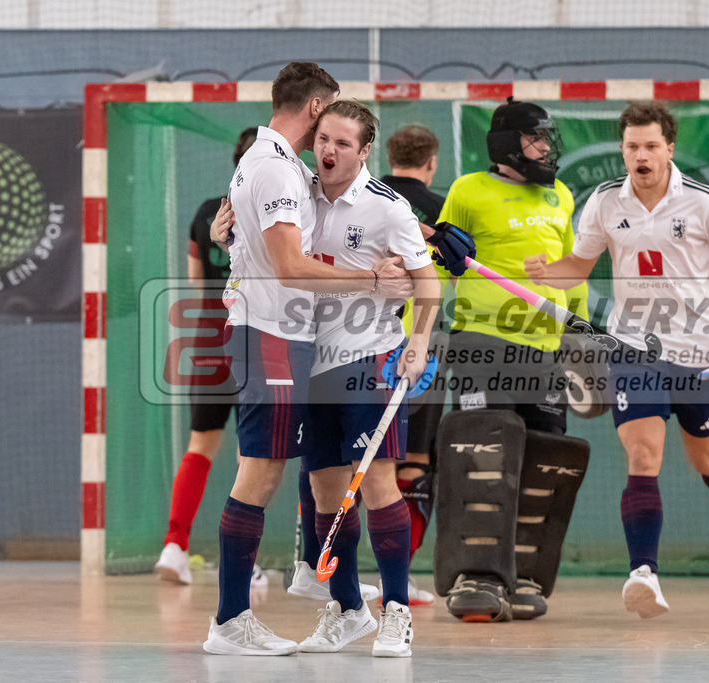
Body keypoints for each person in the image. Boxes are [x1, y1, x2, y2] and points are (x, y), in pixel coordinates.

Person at [201, 62, 414, 657]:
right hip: (269, 332)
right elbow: (293, 264)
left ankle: (346, 607)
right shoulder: (275, 168)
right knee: (261, 473)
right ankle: (229, 620)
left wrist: (428, 236)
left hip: (297, 340)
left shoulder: (276, 164)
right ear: (318, 107)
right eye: (329, 123)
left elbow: (354, 213)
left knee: (312, 479)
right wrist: (371, 278)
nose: (330, 144)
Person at [524, 100, 709, 619]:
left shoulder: (702, 202)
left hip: (698, 354)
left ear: (669, 149)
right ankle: (644, 573)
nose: (641, 155)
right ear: (624, 151)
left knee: (707, 459)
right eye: (632, 146)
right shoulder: (607, 202)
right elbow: (577, 267)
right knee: (642, 456)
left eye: (651, 146)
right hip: (634, 350)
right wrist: (546, 275)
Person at [431, 98, 592, 623]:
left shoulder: (562, 195)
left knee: (540, 458)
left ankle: (521, 574)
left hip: (546, 348)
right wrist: (418, 332)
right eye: (536, 138)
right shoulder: (467, 191)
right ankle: (476, 575)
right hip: (482, 341)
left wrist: (581, 339)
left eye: (548, 138)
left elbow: (574, 270)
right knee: (484, 455)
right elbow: (437, 264)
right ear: (506, 145)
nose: (546, 148)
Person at [290, 100, 441, 658]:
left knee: (377, 484)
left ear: (365, 151)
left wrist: (419, 342)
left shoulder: (388, 208)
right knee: (325, 492)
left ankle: (396, 610)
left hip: (369, 358)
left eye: (343, 143)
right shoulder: (297, 194)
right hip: (309, 359)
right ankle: (348, 607)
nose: (329, 150)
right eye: (323, 138)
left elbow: (426, 285)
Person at [154, 127, 271, 590]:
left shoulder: (206, 213)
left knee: (199, 446)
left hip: (206, 339)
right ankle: (239, 560)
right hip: (254, 339)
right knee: (251, 455)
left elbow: (194, 282)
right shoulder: (274, 211)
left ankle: (174, 546)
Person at [379, 124, 446, 606]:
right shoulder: (441, 211)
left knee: (350, 462)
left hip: (366, 343)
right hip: (421, 346)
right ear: (432, 162)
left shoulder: (369, 195)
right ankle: (396, 580)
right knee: (416, 465)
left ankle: (318, 569)